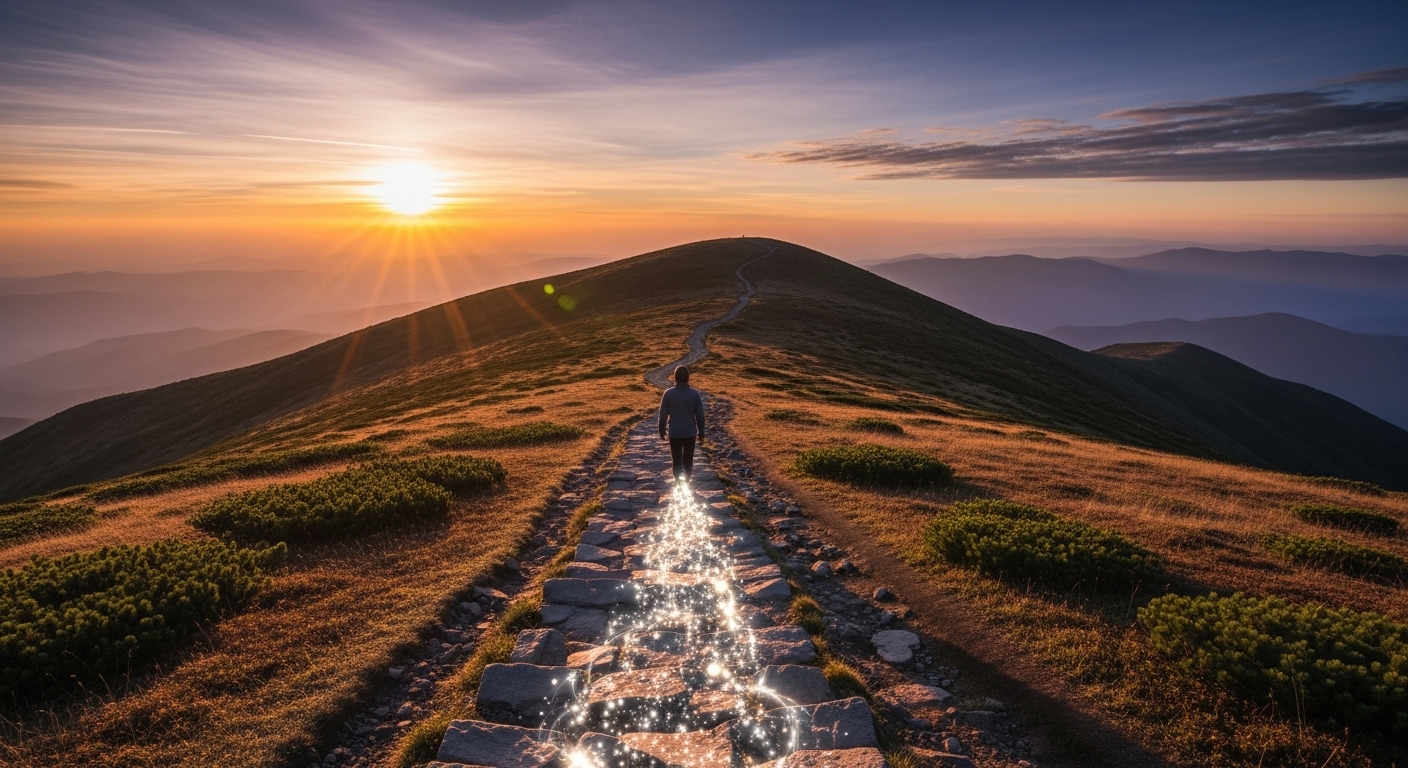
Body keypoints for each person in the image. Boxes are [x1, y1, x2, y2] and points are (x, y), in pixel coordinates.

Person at [658, 365, 706, 483]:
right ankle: (687, 480)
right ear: (688, 378)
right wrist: (701, 432)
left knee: (676, 459)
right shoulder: (694, 394)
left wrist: (662, 430)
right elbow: (700, 415)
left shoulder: (668, 394)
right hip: (690, 433)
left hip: (675, 433)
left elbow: (663, 414)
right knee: (688, 460)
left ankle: (679, 479)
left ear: (675, 378)